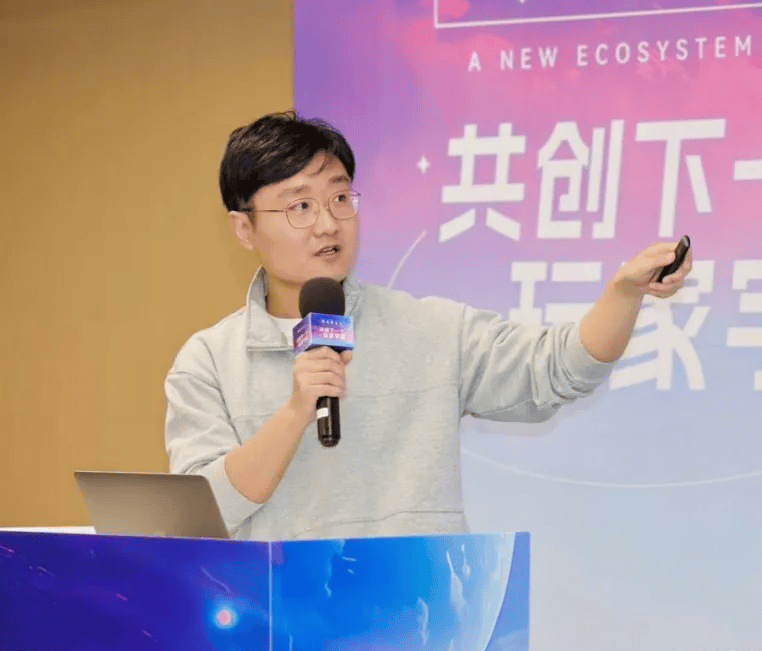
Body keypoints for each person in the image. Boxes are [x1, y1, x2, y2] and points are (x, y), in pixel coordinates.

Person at [164, 111, 692, 540]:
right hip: (279, 623)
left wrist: (623, 293)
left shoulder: (430, 329)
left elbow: (557, 369)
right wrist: (295, 411)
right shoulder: (208, 361)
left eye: (340, 198)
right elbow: (198, 516)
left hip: (420, 621)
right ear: (244, 227)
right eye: (300, 206)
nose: (328, 223)